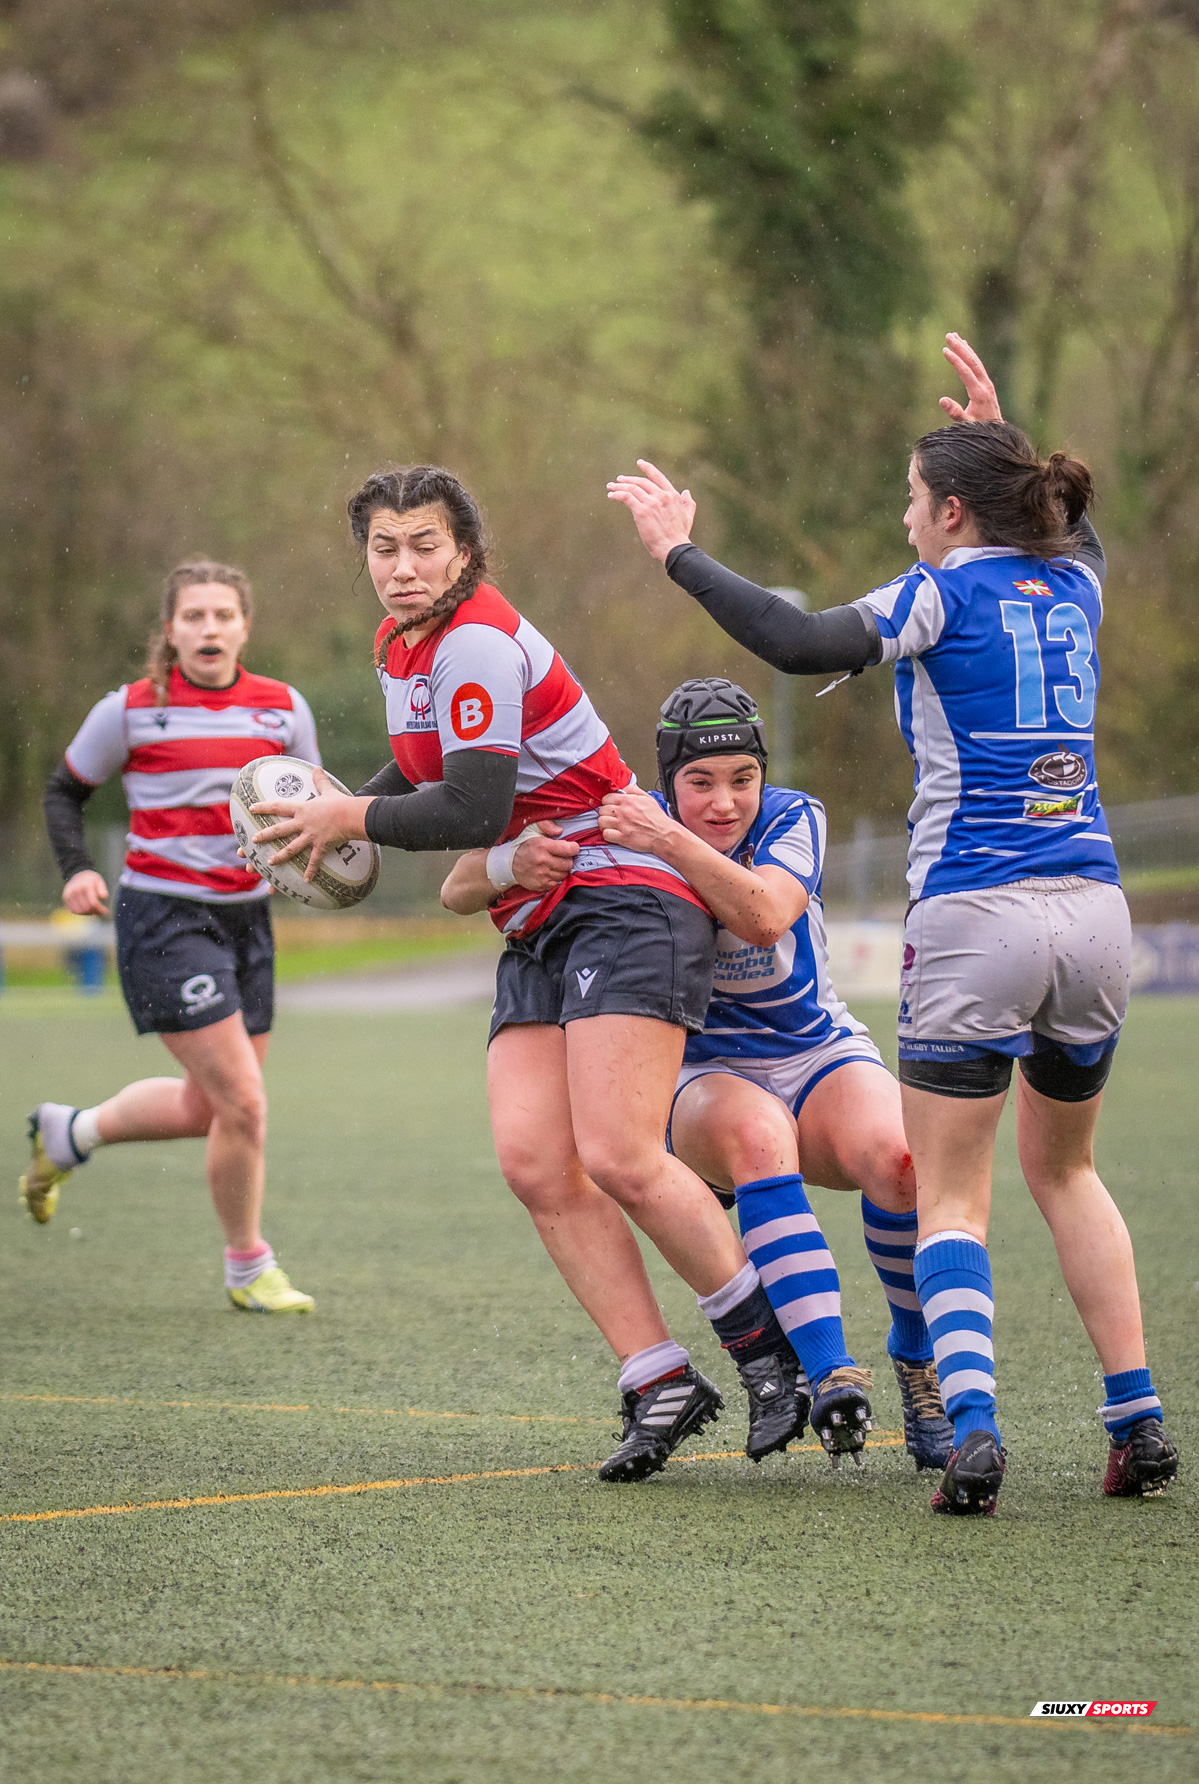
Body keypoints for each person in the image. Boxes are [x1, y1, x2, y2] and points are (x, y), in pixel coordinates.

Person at [606, 335, 1179, 1514]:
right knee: (1067, 1173)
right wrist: (1003, 433)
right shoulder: (1075, 581)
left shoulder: (937, 589)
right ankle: (1136, 1415)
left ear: (951, 511)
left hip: (977, 916)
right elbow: (1068, 531)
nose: (903, 517)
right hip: (1096, 909)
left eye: (913, 500)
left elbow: (796, 641)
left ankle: (967, 1421)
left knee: (953, 1196)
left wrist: (676, 552)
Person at [249, 464, 801, 1480]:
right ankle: (658, 1378)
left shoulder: (471, 643)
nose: (403, 566)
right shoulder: (400, 645)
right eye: (383, 547)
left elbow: (467, 805)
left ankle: (773, 1358)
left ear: (463, 552)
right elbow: (420, 780)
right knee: (535, 1163)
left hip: (625, 899)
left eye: (424, 546)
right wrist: (327, 818)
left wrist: (345, 818)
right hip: (543, 915)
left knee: (621, 1153)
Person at [447, 678, 953, 1474]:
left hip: (815, 1051)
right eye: (699, 783)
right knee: (756, 1138)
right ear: (666, 779)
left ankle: (916, 1364)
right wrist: (512, 861)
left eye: (741, 779)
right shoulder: (622, 819)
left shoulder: (792, 816)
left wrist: (666, 840)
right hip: (706, 1076)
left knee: (901, 1162)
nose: (723, 802)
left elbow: (763, 914)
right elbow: (457, 886)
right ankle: (826, 1375)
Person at [20, 559, 317, 1314]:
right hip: (161, 917)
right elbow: (65, 792)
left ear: (244, 626)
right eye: (194, 616)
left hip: (248, 919)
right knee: (245, 1104)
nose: (209, 628)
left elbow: (319, 806)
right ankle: (248, 1265)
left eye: (223, 615)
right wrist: (77, 869)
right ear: (171, 630)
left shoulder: (282, 710)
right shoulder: (129, 711)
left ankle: (70, 1134)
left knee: (207, 1107)